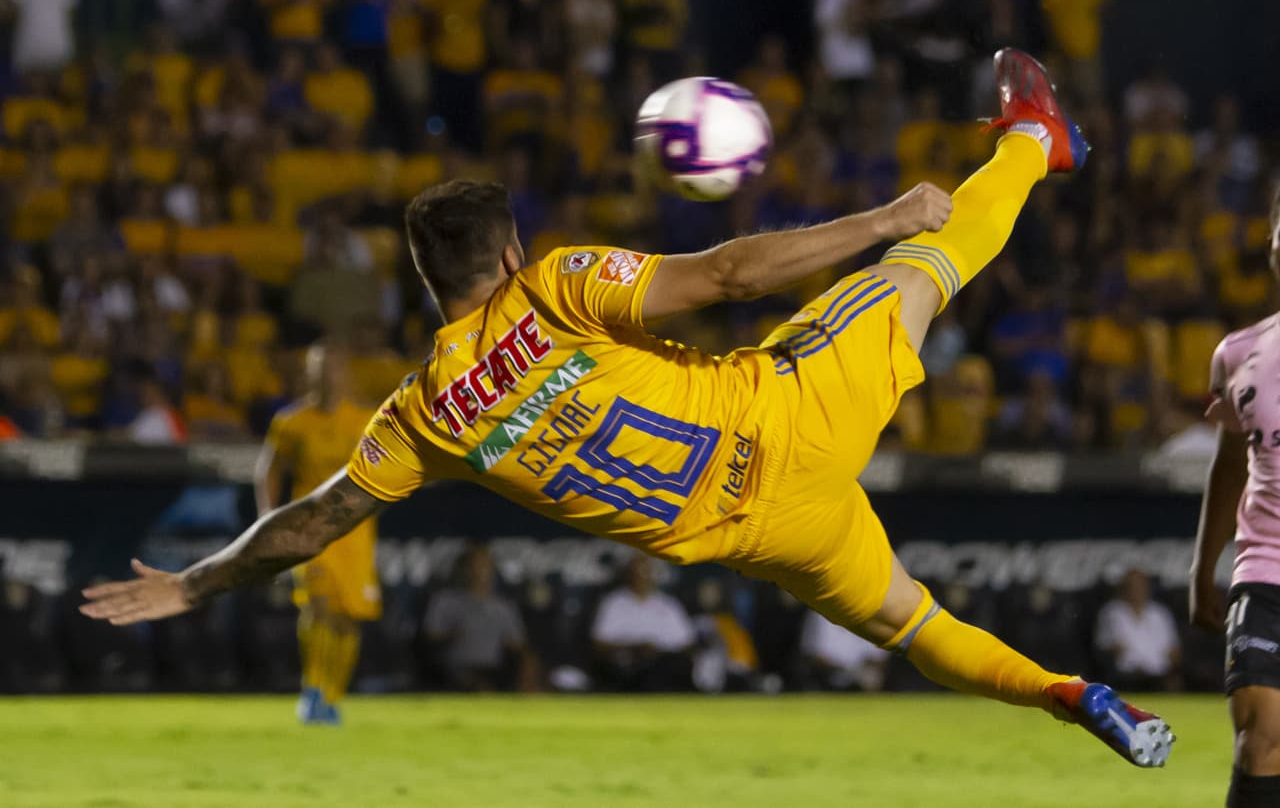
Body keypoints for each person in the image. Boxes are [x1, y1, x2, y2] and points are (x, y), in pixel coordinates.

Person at [82, 50, 1173, 768]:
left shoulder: (423, 419)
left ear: (425, 282)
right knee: (924, 266)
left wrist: (194, 582)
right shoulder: (553, 287)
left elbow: (310, 520)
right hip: (787, 415)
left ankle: (1066, 692)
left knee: (912, 622)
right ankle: (1032, 134)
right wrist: (877, 218)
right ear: (506, 252)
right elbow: (735, 274)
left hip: (756, 535)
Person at [1192, 195, 1280, 806]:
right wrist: (1203, 571)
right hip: (1265, 567)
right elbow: (1229, 468)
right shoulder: (1237, 352)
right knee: (1260, 735)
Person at [254, 344, 381, 724]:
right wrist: (267, 516)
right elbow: (270, 469)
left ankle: (333, 697)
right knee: (318, 606)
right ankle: (311, 690)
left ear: (345, 374)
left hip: (356, 531)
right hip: (310, 527)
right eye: (320, 370)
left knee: (348, 618)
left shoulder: (364, 419)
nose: (328, 378)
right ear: (309, 375)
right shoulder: (293, 421)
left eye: (334, 370)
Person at [424, 543, 533, 691]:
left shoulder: (503, 607)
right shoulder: (445, 601)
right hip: (454, 669)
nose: (479, 570)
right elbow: (429, 638)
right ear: (462, 568)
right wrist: (452, 635)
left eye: (485, 564)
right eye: (473, 564)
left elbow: (517, 644)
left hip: (494, 669)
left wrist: (526, 666)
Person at [591, 554, 695, 692]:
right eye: (636, 571)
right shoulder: (614, 602)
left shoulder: (669, 604)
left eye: (645, 571)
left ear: (653, 575)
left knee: (671, 666)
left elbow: (688, 644)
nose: (641, 577)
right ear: (628, 574)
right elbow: (599, 643)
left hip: (665, 663)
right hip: (627, 664)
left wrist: (658, 651)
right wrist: (636, 647)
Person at [1094, 568, 1182, 692]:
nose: (1137, 590)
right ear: (1123, 588)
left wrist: (1173, 671)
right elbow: (1105, 647)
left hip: (1159, 675)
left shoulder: (1160, 613)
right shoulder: (1111, 612)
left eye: (1141, 586)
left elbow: (1174, 650)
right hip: (1128, 676)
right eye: (1131, 586)